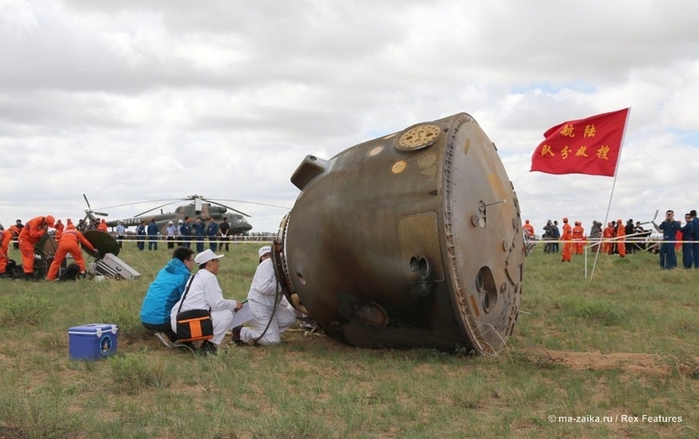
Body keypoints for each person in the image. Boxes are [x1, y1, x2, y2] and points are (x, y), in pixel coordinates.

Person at [170, 249, 243, 355]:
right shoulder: (209, 277)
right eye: (217, 261)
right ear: (209, 263)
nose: (219, 265)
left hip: (178, 321)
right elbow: (217, 304)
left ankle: (189, 343)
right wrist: (234, 304)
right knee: (227, 314)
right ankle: (208, 347)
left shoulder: (195, 276)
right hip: (186, 323)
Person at [237, 245, 297, 346]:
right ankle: (243, 333)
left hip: (271, 308)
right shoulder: (266, 265)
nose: (268, 257)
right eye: (265, 255)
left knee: (290, 317)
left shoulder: (279, 266)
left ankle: (268, 332)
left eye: (269, 254)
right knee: (273, 341)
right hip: (259, 308)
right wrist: (283, 284)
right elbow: (264, 288)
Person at [140, 247, 196, 346]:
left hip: (145, 318)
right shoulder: (184, 277)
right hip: (160, 321)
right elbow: (188, 302)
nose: (194, 263)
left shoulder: (163, 271)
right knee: (191, 310)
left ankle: (169, 335)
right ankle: (184, 342)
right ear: (186, 262)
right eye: (192, 260)